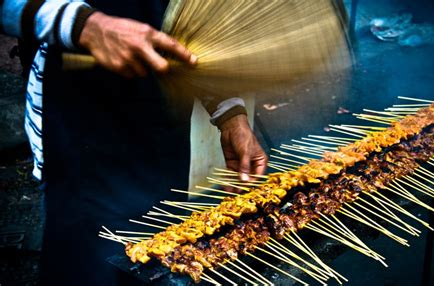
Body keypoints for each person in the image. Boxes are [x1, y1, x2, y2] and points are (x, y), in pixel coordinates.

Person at [0, 0, 268, 285]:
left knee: (160, 263)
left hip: (162, 131)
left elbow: (196, 31)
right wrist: (86, 25)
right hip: (82, 131)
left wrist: (230, 113)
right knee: (87, 269)